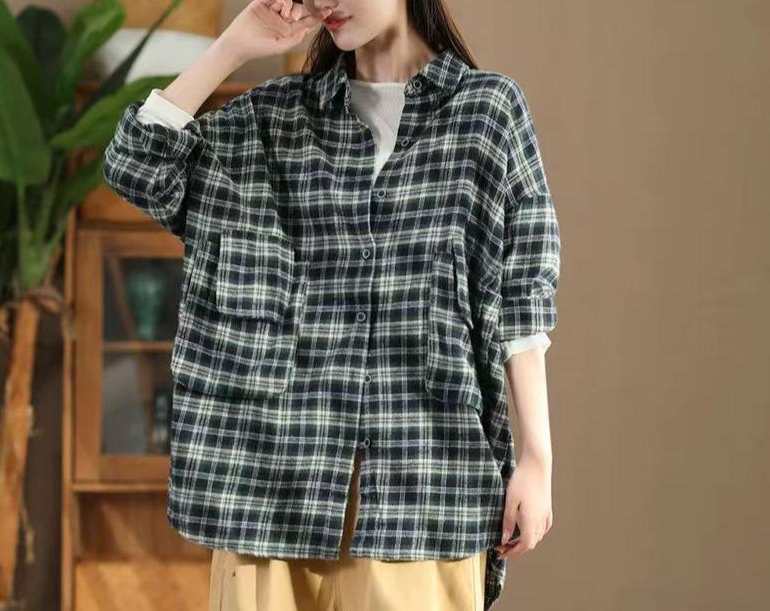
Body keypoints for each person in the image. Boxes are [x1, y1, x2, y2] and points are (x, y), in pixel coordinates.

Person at [102, 0, 560, 609]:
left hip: (426, 488)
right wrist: (233, 47)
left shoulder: (487, 113)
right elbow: (136, 165)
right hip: (265, 494)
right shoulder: (270, 122)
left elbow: (521, 294)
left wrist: (536, 459)